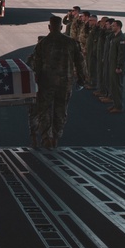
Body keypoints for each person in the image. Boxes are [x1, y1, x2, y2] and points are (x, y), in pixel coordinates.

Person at [30, 15, 87, 148]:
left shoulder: (42, 44)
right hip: (64, 83)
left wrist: (35, 82)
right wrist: (82, 79)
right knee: (61, 110)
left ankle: (46, 137)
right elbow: (80, 62)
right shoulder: (71, 42)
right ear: (61, 27)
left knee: (45, 110)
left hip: (46, 82)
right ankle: (56, 136)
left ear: (49, 27)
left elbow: (36, 65)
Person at [106, 19, 125, 113]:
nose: (111, 27)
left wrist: (119, 66)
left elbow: (122, 54)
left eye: (113, 26)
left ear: (118, 26)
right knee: (113, 85)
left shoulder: (121, 39)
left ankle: (118, 106)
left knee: (117, 86)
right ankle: (115, 103)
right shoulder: (114, 37)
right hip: (112, 64)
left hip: (117, 66)